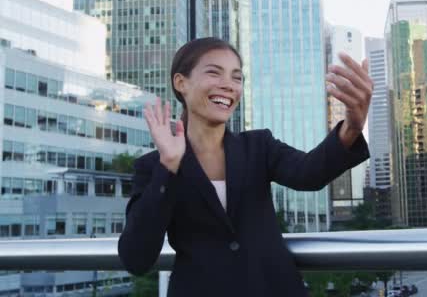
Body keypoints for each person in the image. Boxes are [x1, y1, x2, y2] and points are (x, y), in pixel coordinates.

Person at [118, 37, 373, 296]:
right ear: (181, 82)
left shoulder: (258, 147)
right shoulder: (153, 167)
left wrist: (351, 127)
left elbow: (309, 173)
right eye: (214, 73)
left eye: (236, 77)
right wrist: (168, 166)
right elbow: (136, 258)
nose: (228, 85)